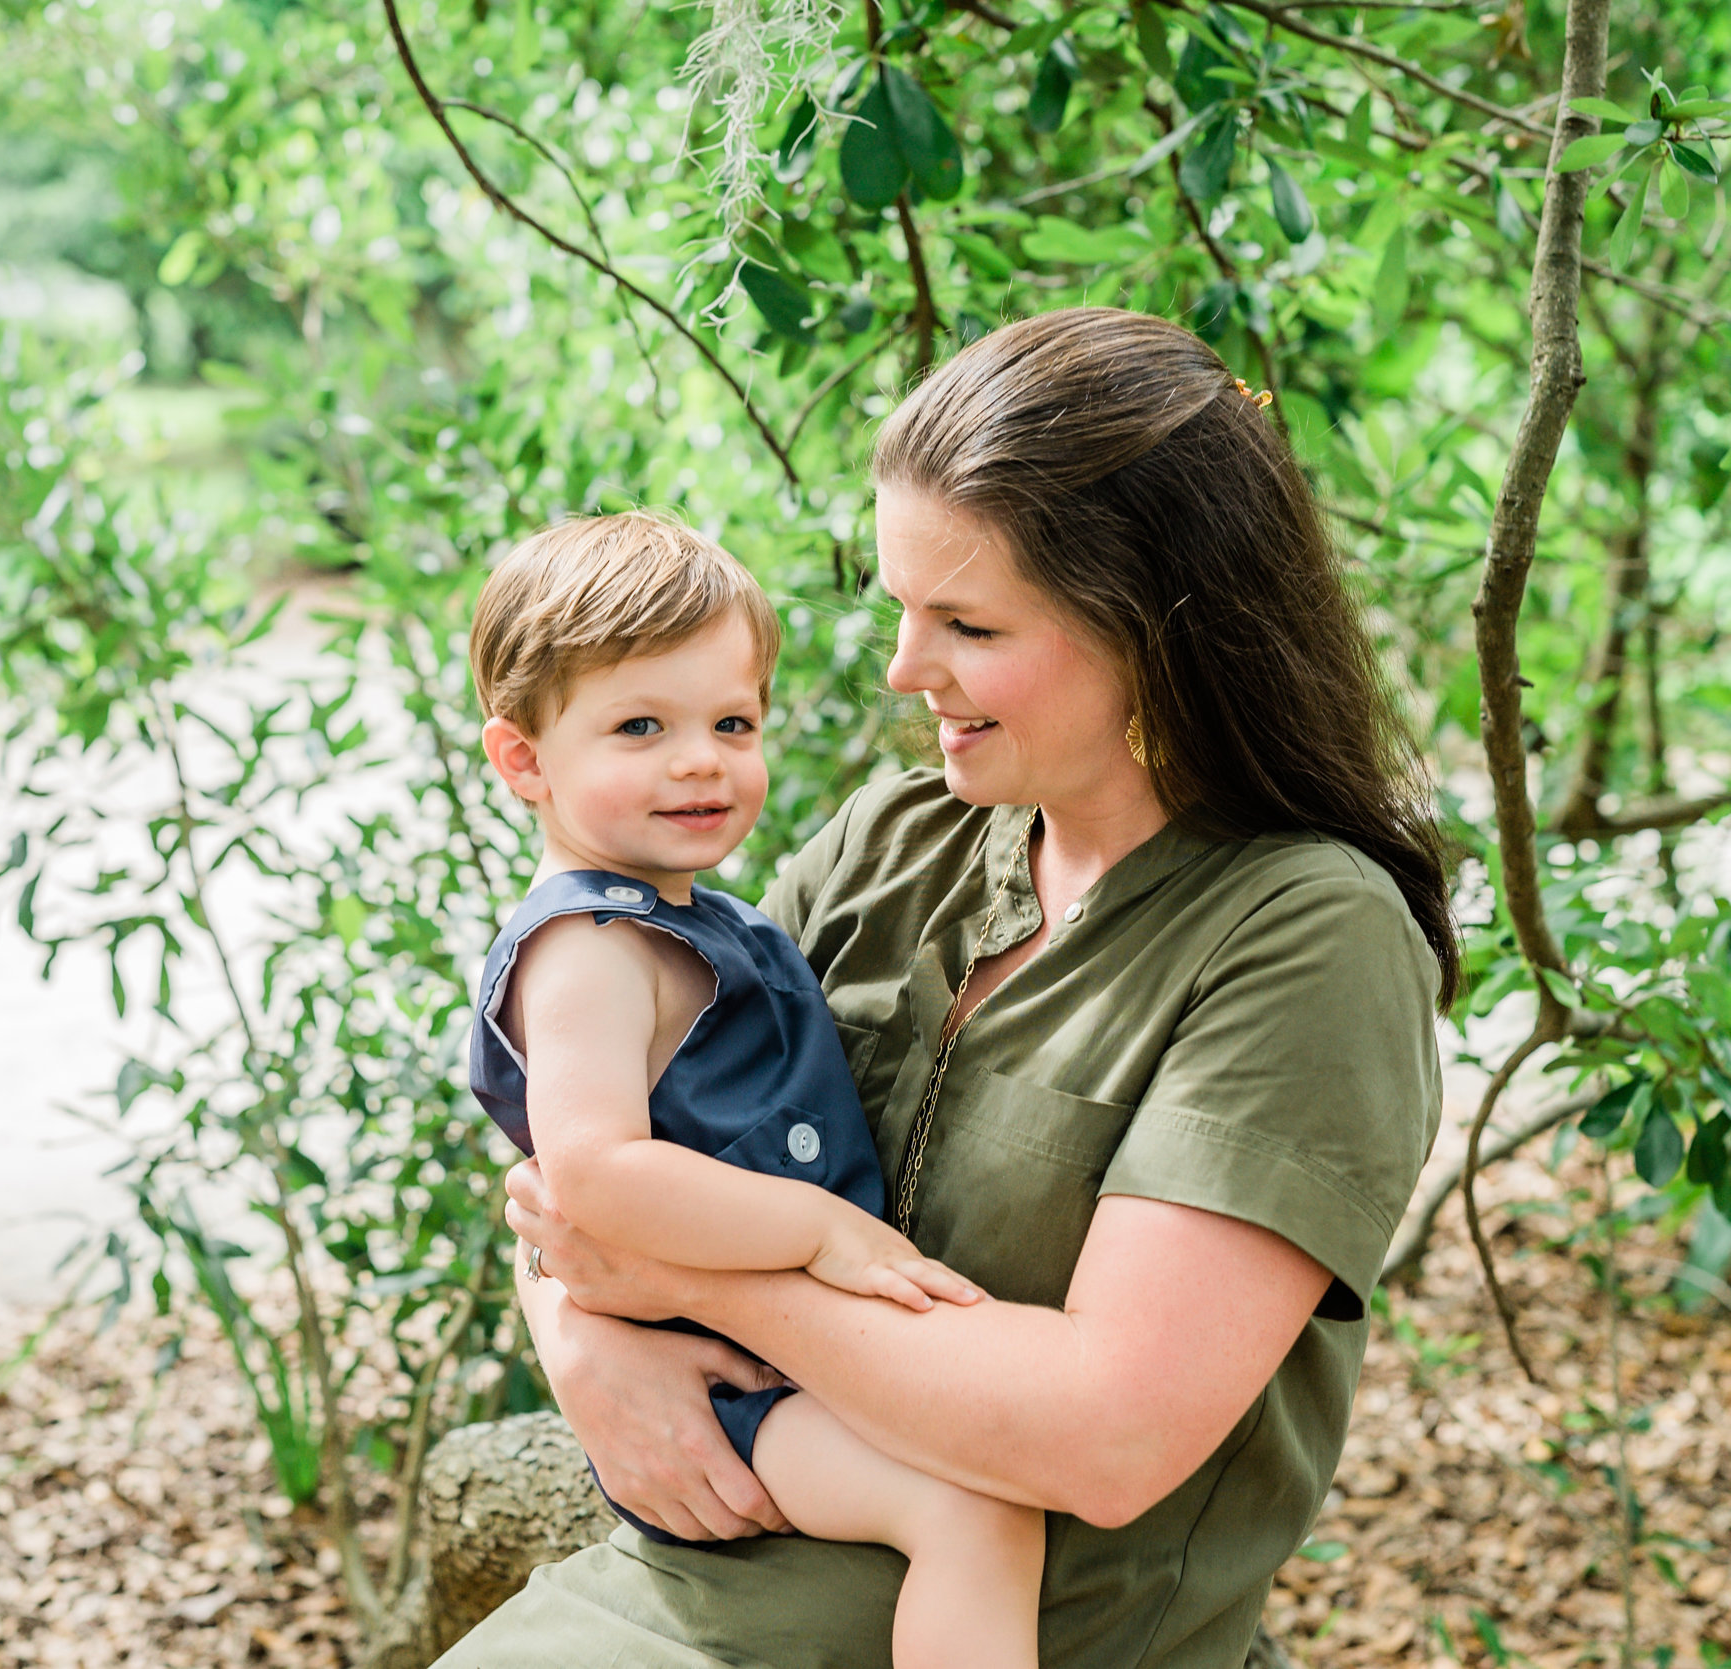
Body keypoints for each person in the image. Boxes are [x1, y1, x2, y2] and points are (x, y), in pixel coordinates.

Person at [444, 307, 1456, 1669]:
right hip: (696, 1593)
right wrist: (580, 1340)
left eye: (966, 623)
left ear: (1156, 634)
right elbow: (583, 1160)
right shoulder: (891, 841)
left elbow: (1104, 1437)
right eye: (902, 610)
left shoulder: (1303, 934)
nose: (902, 670)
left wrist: (719, 1283)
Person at [466, 511, 1048, 1669]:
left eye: (731, 721)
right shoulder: (585, 948)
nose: (701, 759)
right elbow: (588, 1172)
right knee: (973, 1513)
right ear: (524, 758)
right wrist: (820, 1230)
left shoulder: (696, 917)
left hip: (790, 1360)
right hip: (733, 1389)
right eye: (642, 725)